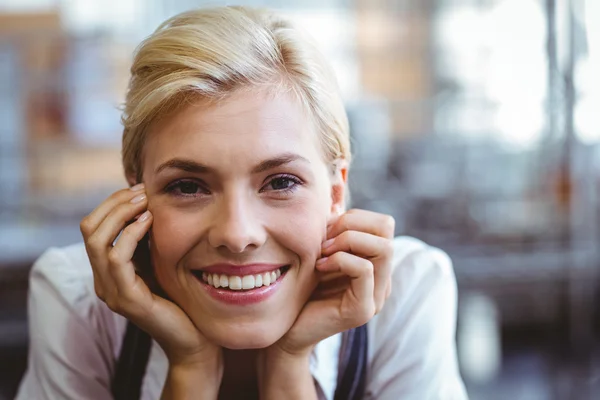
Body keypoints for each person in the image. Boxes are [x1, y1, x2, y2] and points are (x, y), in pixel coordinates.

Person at [16, 6, 467, 400]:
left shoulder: (408, 292)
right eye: (189, 187)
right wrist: (190, 369)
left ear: (335, 191)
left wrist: (290, 364)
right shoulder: (77, 300)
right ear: (138, 194)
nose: (237, 234)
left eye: (281, 182)